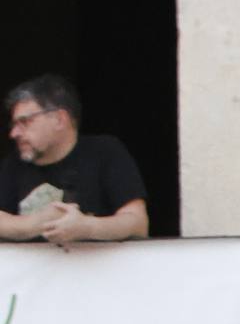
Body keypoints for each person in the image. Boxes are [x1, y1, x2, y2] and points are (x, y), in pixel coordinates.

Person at [0, 77, 146, 240]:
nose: (14, 133)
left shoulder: (104, 152)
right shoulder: (13, 165)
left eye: (24, 122)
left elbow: (138, 223)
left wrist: (88, 227)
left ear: (59, 119)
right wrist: (31, 225)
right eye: (14, 124)